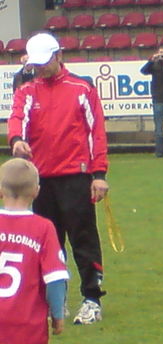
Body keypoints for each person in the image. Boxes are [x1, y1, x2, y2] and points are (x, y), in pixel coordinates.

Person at [8, 32, 109, 325]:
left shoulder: (82, 89)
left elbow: (97, 133)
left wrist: (99, 174)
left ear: (59, 55)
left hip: (76, 178)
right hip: (40, 182)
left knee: (83, 240)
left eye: (45, 62)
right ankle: (57, 300)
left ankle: (92, 298)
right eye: (36, 64)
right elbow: (17, 118)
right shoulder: (27, 91)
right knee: (47, 244)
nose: (40, 69)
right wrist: (16, 139)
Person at [0, 158, 69, 344]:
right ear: (37, 191)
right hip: (27, 322)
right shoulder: (43, 228)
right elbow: (55, 278)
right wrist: (58, 314)